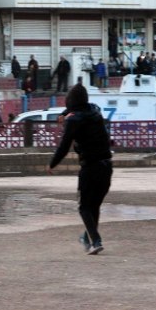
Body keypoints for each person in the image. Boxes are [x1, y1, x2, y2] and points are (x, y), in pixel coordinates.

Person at [47, 83, 113, 255]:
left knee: (84, 206)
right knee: (94, 206)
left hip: (90, 166)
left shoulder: (73, 120)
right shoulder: (95, 111)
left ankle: (96, 241)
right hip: (107, 165)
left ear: (70, 102)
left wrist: (52, 163)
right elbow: (81, 109)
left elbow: (64, 146)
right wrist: (64, 114)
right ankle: (88, 238)